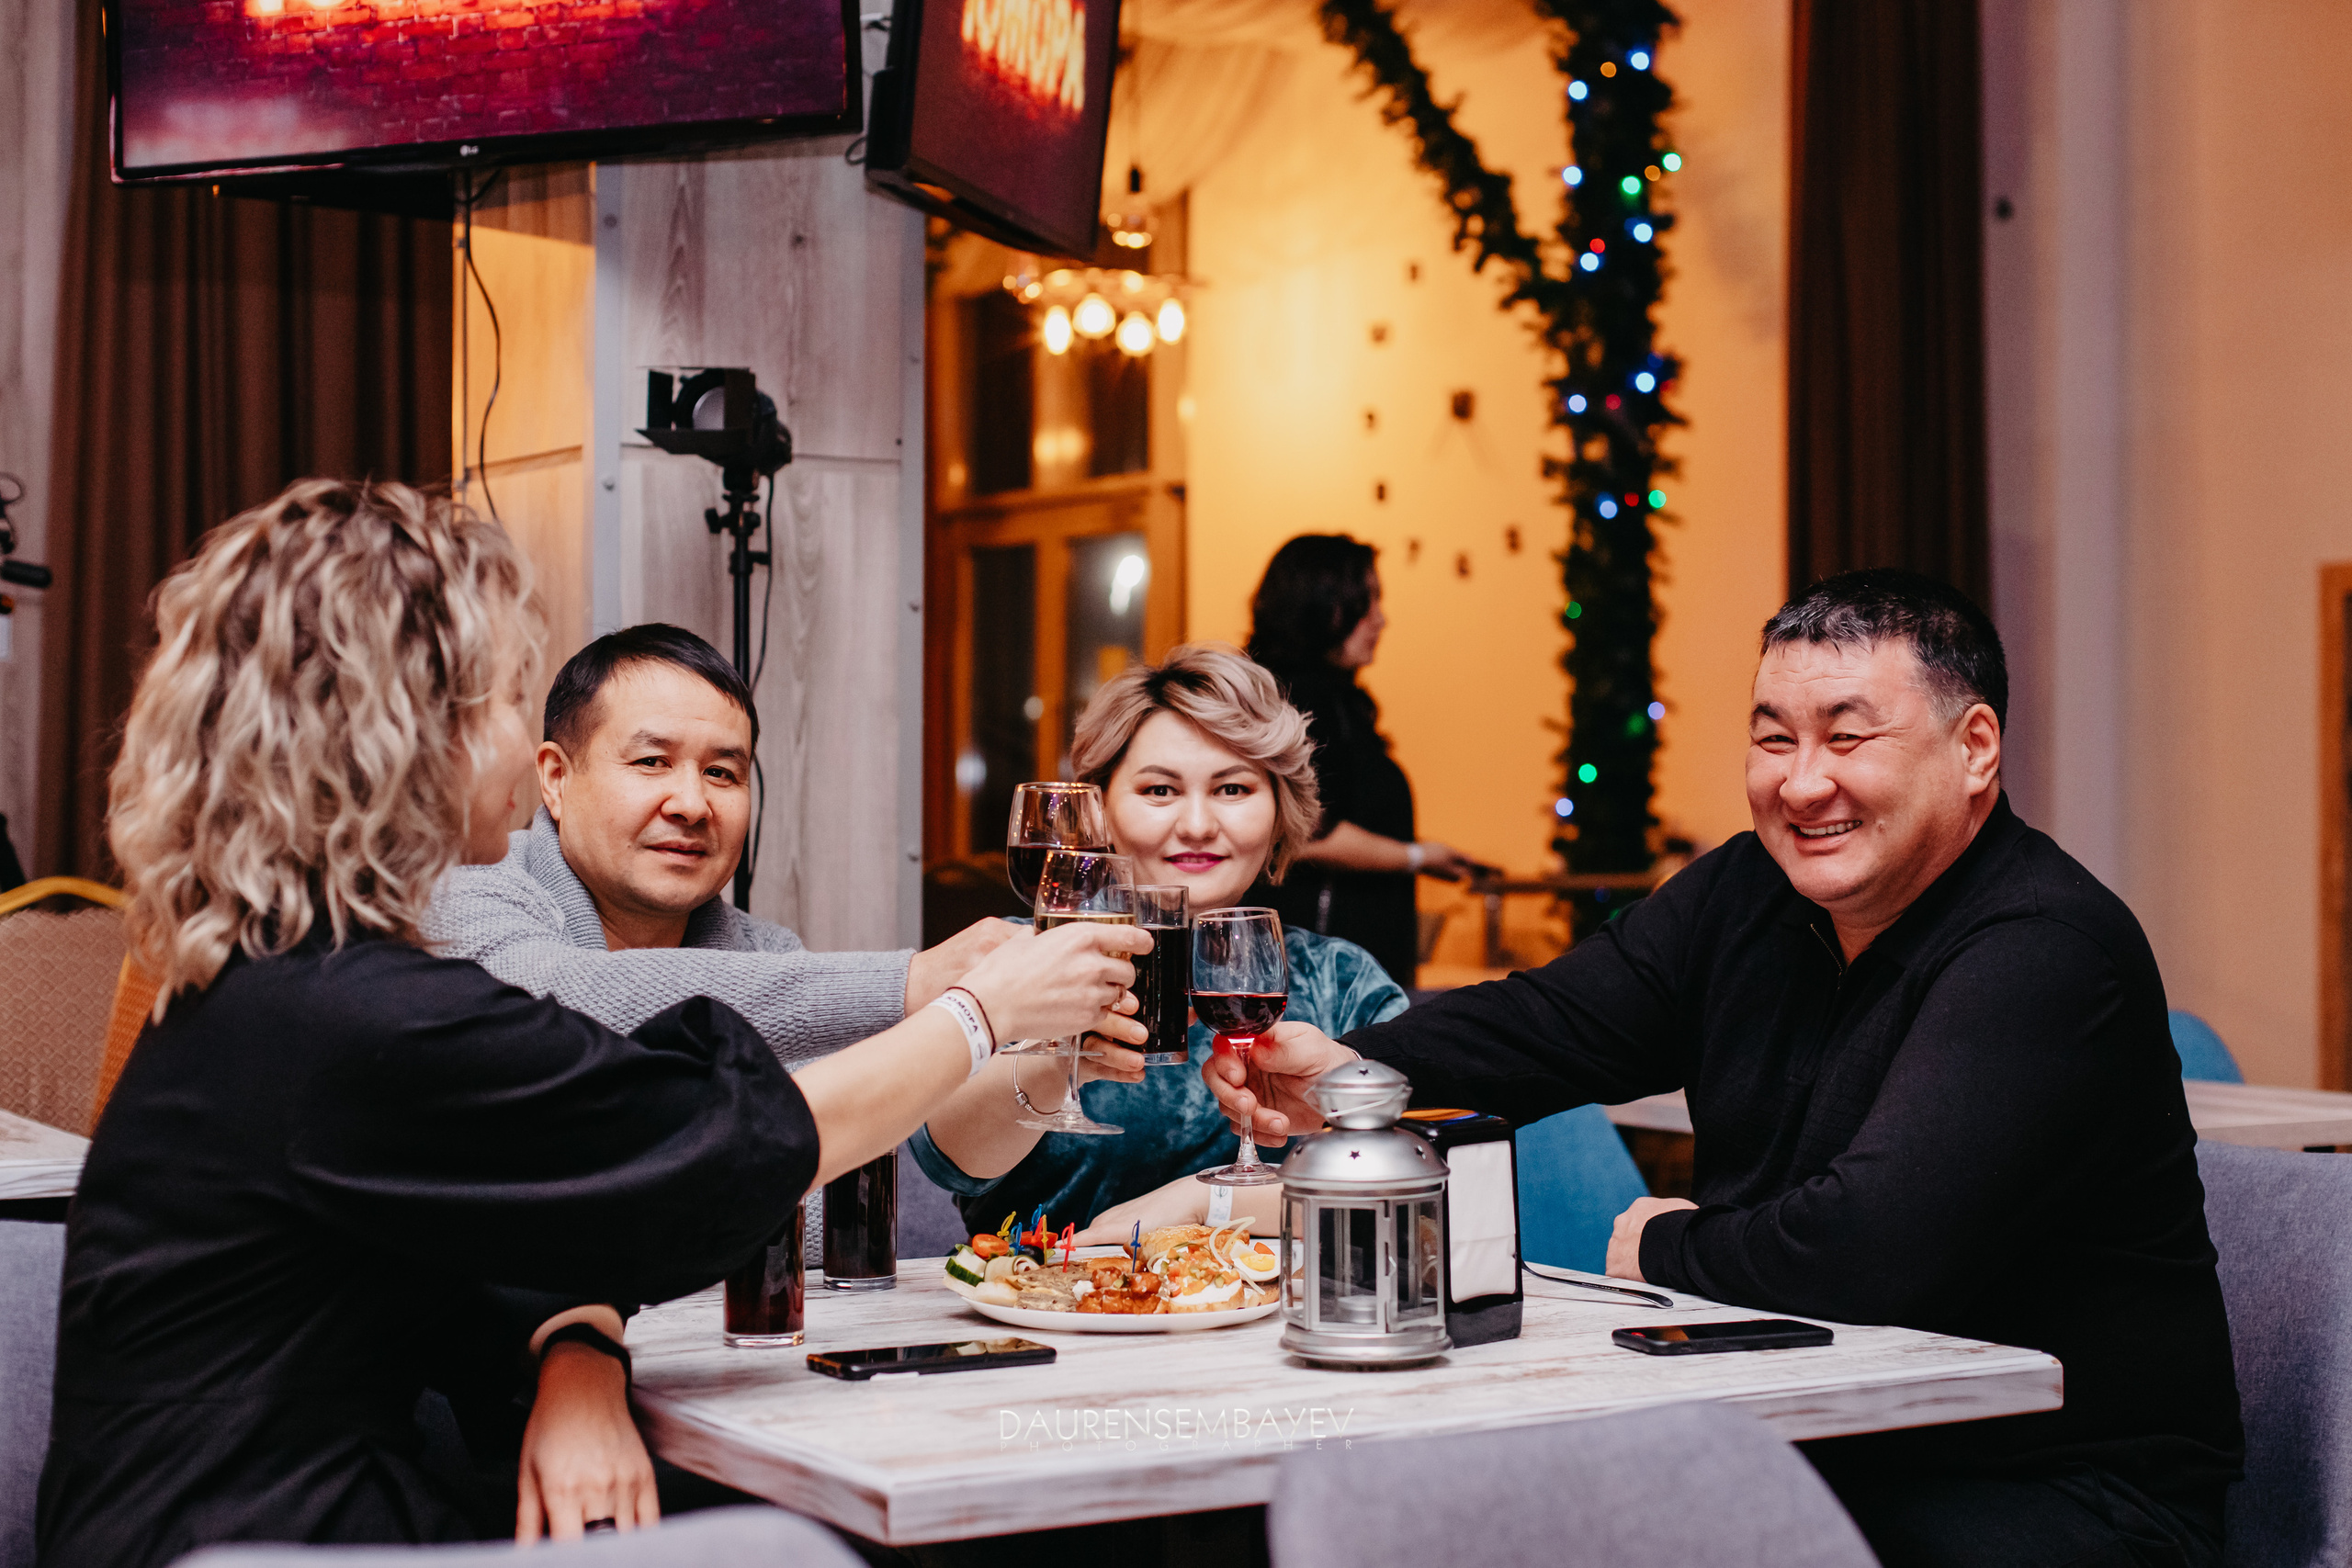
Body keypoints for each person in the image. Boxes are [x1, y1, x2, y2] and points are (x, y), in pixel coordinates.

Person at [40, 479, 1148, 1568]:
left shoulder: (285, 973)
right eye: (499, 702)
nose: (520, 749)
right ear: (410, 729)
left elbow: (539, 1208)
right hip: (243, 1539)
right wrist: (972, 1010)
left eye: (722, 770)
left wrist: (579, 1343)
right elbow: (701, 1148)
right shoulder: (353, 1009)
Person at [1207, 570, 2241, 1568]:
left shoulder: (2043, 948)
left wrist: (1666, 1245)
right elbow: (1550, 1023)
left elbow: (1869, 1255)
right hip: (1817, 1451)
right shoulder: (1749, 894)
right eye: (1771, 739)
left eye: (1846, 736)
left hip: (2057, 1493)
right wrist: (1347, 1074)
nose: (1801, 782)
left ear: (1974, 748)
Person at [424, 623, 1017, 1252]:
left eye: (722, 773)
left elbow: (821, 1221)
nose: (691, 803)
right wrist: (916, 982)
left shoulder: (770, 958)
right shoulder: (469, 894)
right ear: (555, 778)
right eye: (652, 761)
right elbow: (559, 1007)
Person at [909, 644, 1407, 1240]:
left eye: (1232, 789)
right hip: (1051, 1313)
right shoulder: (1019, 961)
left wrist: (1203, 1204)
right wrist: (1058, 1056)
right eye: (1160, 791)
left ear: (1280, 810)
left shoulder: (1342, 982)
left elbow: (1415, 1182)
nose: (1196, 824)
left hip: (1281, 1327)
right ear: (1099, 810)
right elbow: (949, 1159)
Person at [1247, 534, 1473, 987]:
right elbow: (1310, 833)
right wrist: (1416, 856)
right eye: (1366, 602)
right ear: (1320, 606)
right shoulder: (1300, 698)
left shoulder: (1333, 699)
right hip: (1323, 966)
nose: (1381, 619)